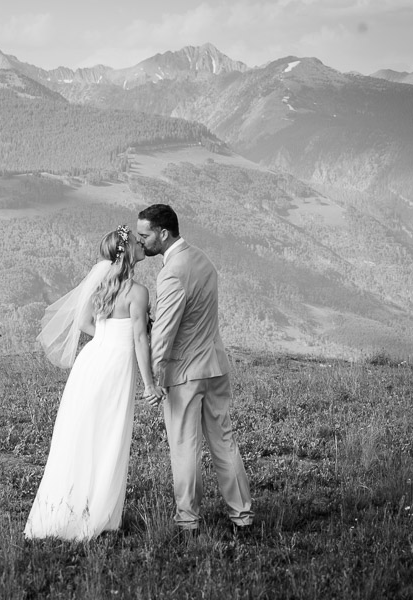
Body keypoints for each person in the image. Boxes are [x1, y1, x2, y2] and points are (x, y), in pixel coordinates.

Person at [25, 225, 164, 541]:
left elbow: (84, 322)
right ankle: (96, 517)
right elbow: (141, 340)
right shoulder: (137, 292)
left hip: (90, 364)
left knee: (79, 437)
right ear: (128, 252)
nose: (142, 245)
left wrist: (107, 336)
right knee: (108, 436)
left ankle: (62, 511)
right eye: (137, 243)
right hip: (115, 368)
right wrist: (149, 384)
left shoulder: (102, 286)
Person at [136, 204, 253, 534]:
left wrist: (154, 378)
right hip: (215, 366)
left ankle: (188, 520)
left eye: (144, 235)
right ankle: (242, 516)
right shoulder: (203, 259)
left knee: (185, 448)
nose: (140, 241)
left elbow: (166, 332)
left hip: (186, 373)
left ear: (163, 233)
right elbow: (195, 317)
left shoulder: (172, 271)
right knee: (224, 442)